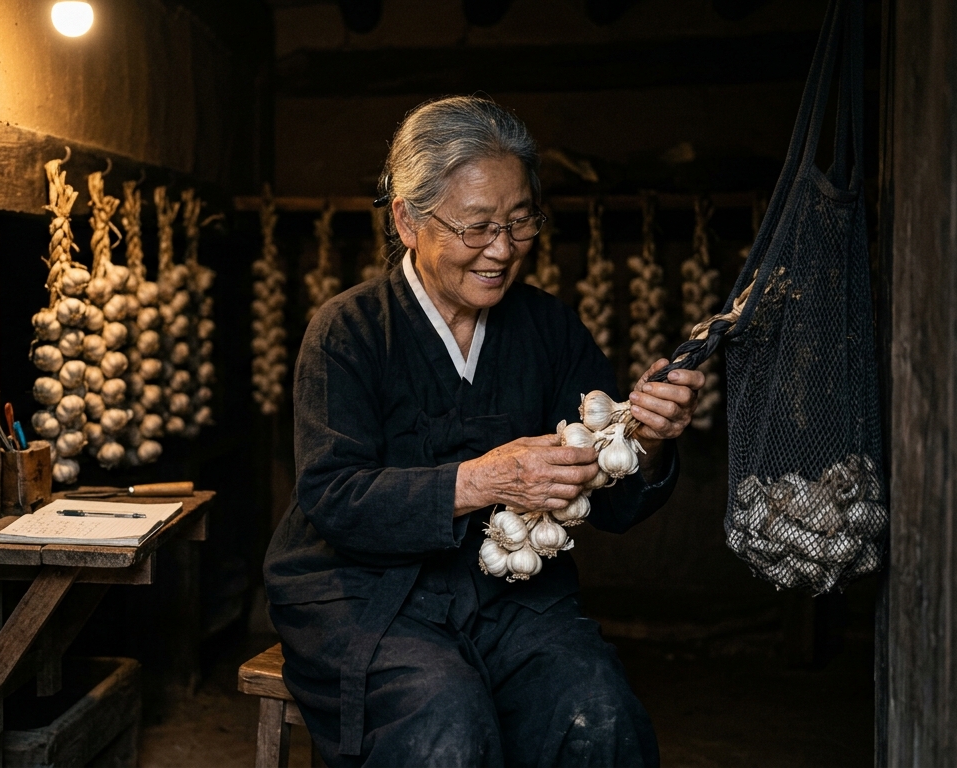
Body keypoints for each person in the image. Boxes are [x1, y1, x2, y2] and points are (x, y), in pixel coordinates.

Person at [264, 96, 703, 767]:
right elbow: (333, 496)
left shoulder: (548, 329)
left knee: (598, 712)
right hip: (363, 596)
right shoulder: (347, 331)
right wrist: (485, 480)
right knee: (444, 721)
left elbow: (611, 501)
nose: (502, 250)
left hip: (509, 598)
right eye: (476, 228)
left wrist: (646, 437)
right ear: (407, 219)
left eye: (520, 223)